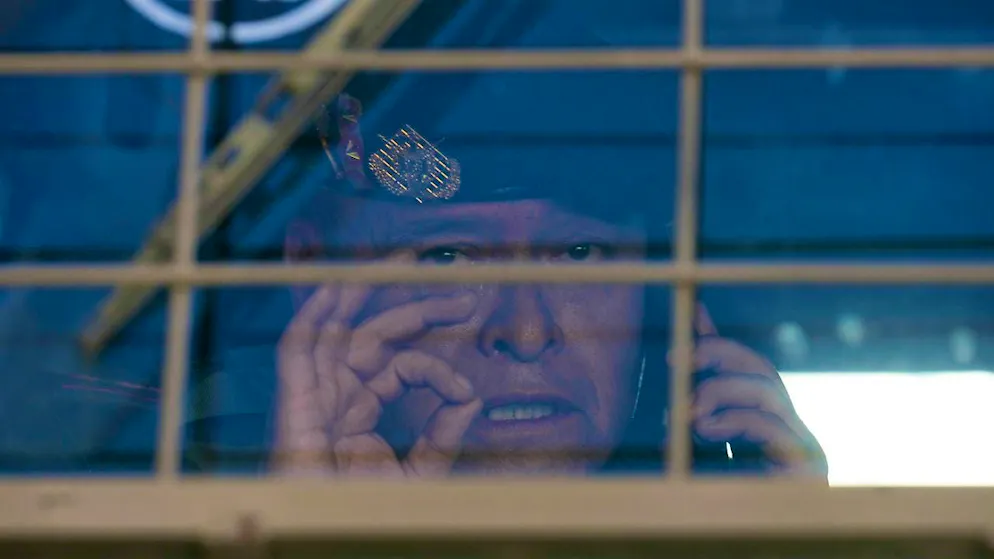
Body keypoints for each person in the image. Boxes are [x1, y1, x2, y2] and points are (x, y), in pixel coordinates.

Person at [271, 95, 827, 478]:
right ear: (313, 267)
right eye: (447, 256)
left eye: (580, 253)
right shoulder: (188, 499)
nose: (528, 333)